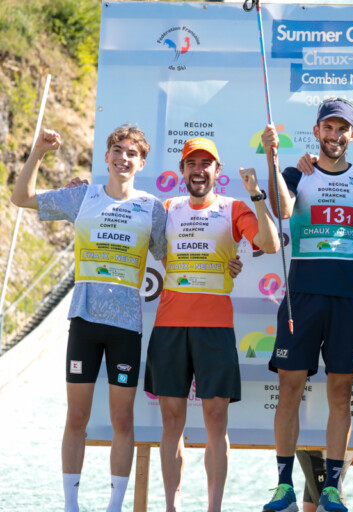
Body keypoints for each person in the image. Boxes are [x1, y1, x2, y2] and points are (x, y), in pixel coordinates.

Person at [10, 125, 167, 512]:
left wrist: (224, 265)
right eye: (118, 150)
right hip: (84, 320)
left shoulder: (153, 207)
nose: (124, 157)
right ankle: (71, 505)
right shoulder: (83, 195)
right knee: (76, 415)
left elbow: (173, 259)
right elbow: (21, 197)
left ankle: (115, 505)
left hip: (127, 327)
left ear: (142, 162)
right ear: (107, 156)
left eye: (132, 153)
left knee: (122, 419)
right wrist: (39, 153)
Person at [259, 98, 353, 512]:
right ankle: (283, 486)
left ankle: (331, 486)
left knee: (340, 390)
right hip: (302, 296)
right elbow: (280, 208)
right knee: (289, 389)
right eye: (327, 128)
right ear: (317, 131)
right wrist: (273, 161)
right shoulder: (298, 173)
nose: (334, 135)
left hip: (348, 299)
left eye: (342, 128)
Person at [143, 137, 280, 512]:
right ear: (182, 170)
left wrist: (256, 195)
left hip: (215, 328)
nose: (198, 170)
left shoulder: (234, 207)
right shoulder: (166, 208)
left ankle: (213, 508)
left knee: (215, 419)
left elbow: (269, 244)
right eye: (192, 163)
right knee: (172, 421)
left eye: (206, 164)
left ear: (217, 172)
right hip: (169, 326)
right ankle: (172, 506)